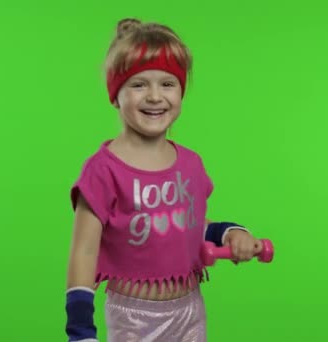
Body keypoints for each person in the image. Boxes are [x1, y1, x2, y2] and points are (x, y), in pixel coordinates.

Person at [65, 18, 263, 342]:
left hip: (189, 311)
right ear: (116, 96)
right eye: (139, 84)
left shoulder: (190, 164)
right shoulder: (103, 171)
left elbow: (183, 225)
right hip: (134, 318)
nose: (155, 96)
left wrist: (231, 233)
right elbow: (84, 252)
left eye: (167, 84)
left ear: (181, 91)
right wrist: (81, 332)